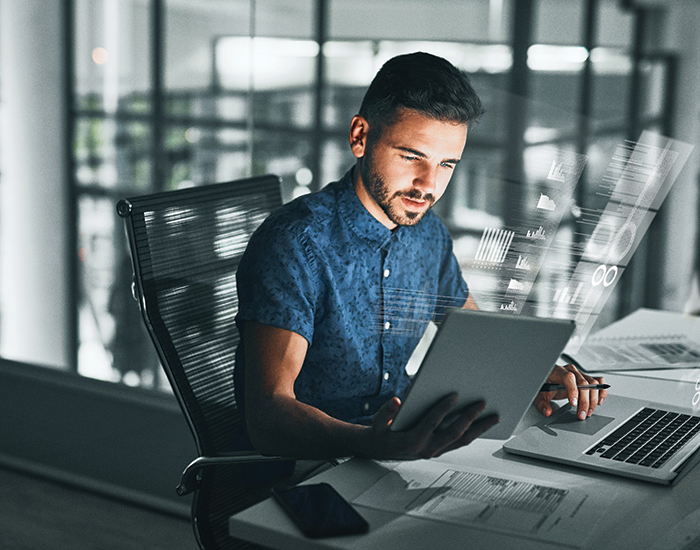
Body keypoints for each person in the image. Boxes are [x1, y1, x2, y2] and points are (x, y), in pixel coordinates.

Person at [233, 51, 606, 462]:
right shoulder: (295, 242)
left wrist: (531, 375)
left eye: (446, 164)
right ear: (360, 137)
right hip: (309, 469)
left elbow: (478, 338)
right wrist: (368, 443)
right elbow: (267, 415)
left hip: (402, 448)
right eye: (411, 156)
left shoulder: (428, 233)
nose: (428, 185)